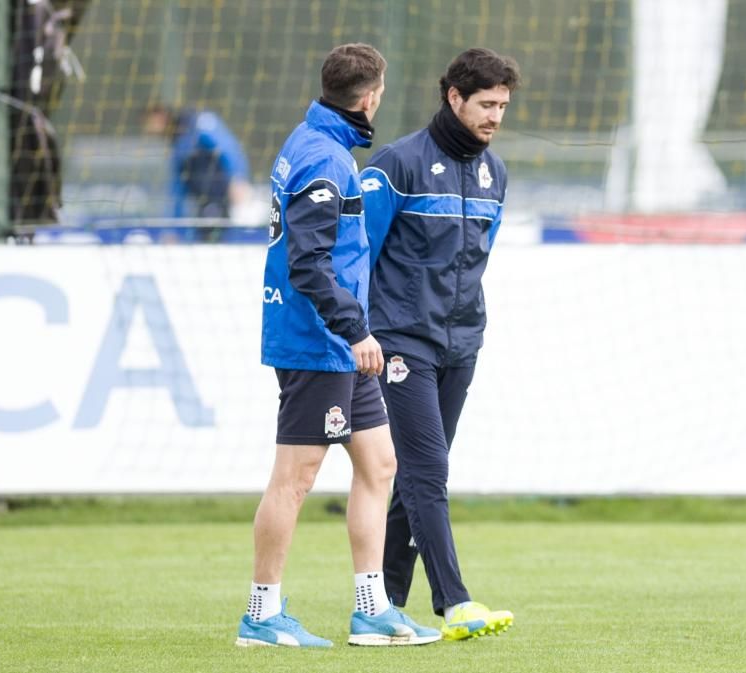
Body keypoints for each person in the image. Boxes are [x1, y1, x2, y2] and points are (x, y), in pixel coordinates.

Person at [237, 43, 440, 649]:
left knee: (379, 465)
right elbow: (309, 264)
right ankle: (261, 614)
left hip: (338, 345)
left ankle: (371, 610)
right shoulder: (326, 160)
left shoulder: (311, 139)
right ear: (372, 95)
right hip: (319, 344)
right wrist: (355, 329)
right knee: (294, 480)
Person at [359, 47, 521, 641]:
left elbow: (479, 257)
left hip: (461, 345)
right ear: (454, 97)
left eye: (503, 106)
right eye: (486, 104)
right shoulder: (395, 165)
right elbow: (359, 253)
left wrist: (467, 332)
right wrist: (363, 330)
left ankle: (383, 606)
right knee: (427, 472)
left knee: (416, 475)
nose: (495, 117)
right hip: (402, 342)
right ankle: (455, 602)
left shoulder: (495, 174)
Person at [142, 103, 252, 219]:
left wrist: (238, 178)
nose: (148, 129)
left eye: (149, 122)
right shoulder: (177, 144)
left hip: (226, 198)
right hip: (204, 204)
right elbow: (178, 184)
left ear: (160, 116)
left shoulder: (198, 123)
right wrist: (174, 223)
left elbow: (228, 148)